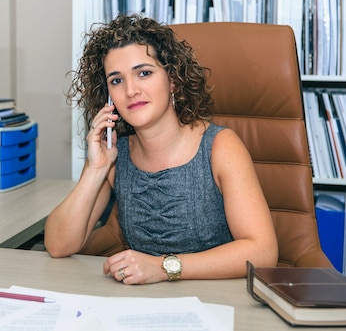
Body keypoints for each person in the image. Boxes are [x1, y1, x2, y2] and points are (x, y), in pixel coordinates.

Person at [44, 14, 278, 284]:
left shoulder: (220, 147)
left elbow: (262, 252)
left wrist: (164, 267)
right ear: (108, 97)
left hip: (216, 300)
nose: (131, 90)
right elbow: (58, 245)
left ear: (172, 80)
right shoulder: (114, 153)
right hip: (141, 302)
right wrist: (96, 170)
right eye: (116, 81)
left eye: (144, 73)